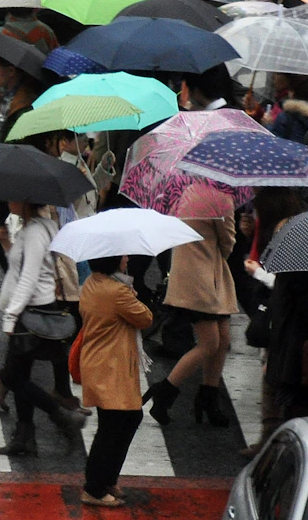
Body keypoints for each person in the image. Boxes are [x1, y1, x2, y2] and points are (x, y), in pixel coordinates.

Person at [0, 200, 83, 457]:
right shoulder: (40, 227)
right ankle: (24, 436)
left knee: (13, 377)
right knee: (21, 375)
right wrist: (7, 244)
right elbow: (25, 268)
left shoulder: (34, 232)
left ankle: (62, 416)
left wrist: (10, 317)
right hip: (35, 309)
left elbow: (28, 278)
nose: (8, 202)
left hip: (31, 311)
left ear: (24, 200)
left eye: (12, 198)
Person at [145, 206, 237, 426]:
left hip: (199, 273)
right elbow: (228, 242)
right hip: (202, 279)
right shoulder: (219, 199)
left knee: (223, 339)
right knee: (210, 343)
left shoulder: (186, 194)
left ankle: (208, 397)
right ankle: (165, 390)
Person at [77, 255, 155, 507]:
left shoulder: (92, 283)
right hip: (111, 367)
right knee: (114, 425)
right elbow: (145, 318)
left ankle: (106, 479)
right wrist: (132, 295)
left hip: (101, 363)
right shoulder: (117, 292)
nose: (127, 258)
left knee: (120, 421)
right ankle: (94, 488)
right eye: (123, 255)